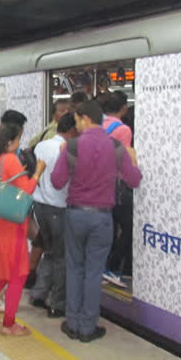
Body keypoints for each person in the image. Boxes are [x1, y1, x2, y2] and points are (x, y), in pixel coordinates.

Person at [51, 101, 142, 343]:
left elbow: (57, 182)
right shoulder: (116, 147)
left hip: (76, 215)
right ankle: (88, 327)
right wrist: (132, 160)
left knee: (75, 267)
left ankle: (72, 323)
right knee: (93, 272)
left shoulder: (71, 146)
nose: (77, 125)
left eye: (77, 120)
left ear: (84, 119)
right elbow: (134, 181)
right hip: (102, 218)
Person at [0, 123, 46, 336]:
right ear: (9, 143)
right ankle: (9, 324)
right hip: (11, 222)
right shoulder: (10, 160)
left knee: (4, 266)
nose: (19, 145)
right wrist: (37, 172)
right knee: (18, 273)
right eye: (18, 140)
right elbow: (26, 190)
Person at [29, 113, 78, 319]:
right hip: (58, 208)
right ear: (71, 131)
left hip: (40, 206)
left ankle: (38, 294)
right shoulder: (64, 150)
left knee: (49, 251)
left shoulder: (42, 146)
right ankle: (57, 304)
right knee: (61, 257)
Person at [101, 90, 134, 287]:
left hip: (98, 184)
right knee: (129, 227)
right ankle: (113, 267)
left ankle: (103, 266)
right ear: (124, 108)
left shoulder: (97, 126)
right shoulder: (123, 130)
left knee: (108, 227)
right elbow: (124, 157)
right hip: (116, 185)